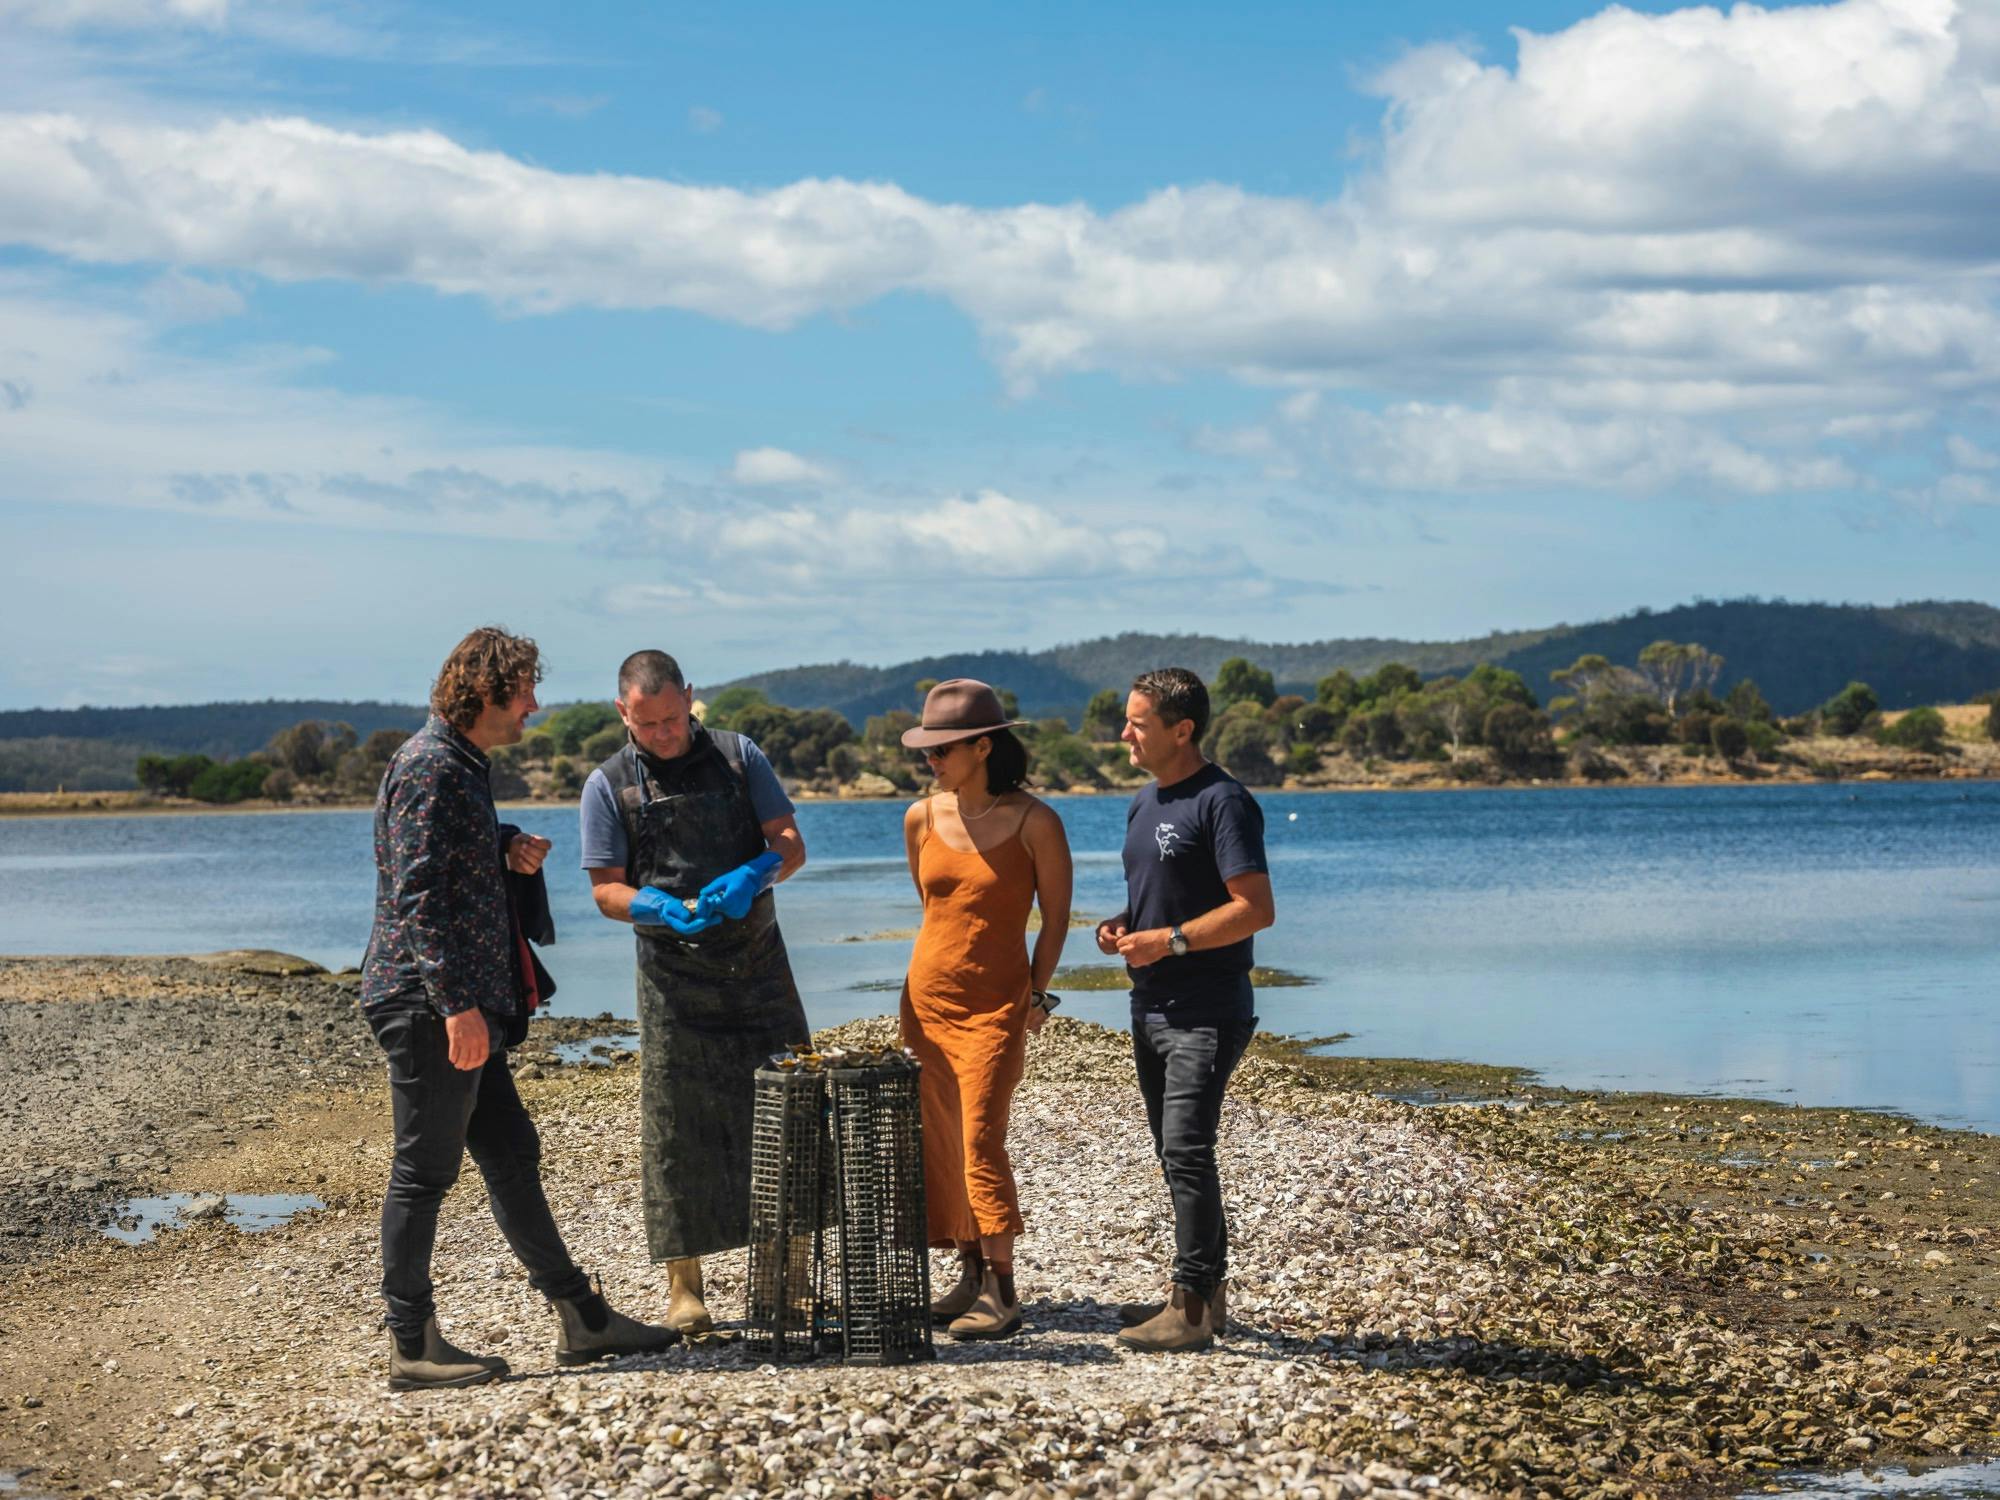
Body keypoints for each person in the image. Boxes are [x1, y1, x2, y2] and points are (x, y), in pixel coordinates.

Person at [360, 626, 676, 1390]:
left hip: (455, 1002)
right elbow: (415, 898)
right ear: (487, 693)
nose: (534, 704)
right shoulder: (432, 766)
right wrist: (457, 1007)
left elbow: (436, 862)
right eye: (525, 690)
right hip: (431, 1005)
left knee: (510, 1153)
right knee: (422, 1173)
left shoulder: (462, 765)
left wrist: (501, 843)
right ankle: (410, 1344)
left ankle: (583, 1319)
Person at [580, 649, 809, 1334]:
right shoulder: (608, 785)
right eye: (648, 725)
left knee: (786, 1116)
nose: (664, 736)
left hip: (758, 965)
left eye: (673, 720)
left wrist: (756, 875)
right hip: (671, 981)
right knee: (677, 1132)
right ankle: (686, 1287)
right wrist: (654, 906)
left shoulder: (741, 757)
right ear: (623, 713)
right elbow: (605, 890)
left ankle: (785, 1280)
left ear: (690, 697)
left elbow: (791, 842)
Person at [1096, 667, 1275, 1353]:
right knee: (1177, 1157)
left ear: (1182, 729)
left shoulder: (1224, 802)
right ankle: (1204, 1294)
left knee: (1188, 1153)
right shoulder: (1143, 804)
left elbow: (1254, 909)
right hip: (1151, 1007)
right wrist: (1123, 926)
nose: (1125, 734)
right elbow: (1164, 897)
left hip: (1208, 1008)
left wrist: (1166, 941)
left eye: (1137, 722)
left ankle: (1191, 1308)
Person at [898, 679, 1074, 1340]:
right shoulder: (919, 818)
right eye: (926, 750)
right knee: (941, 1140)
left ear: (983, 745)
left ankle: (1003, 1292)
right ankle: (968, 1274)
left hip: (996, 1006)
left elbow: (1056, 917)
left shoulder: (1036, 822)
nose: (931, 761)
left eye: (942, 750)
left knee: (981, 1138)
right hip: (925, 1005)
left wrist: (1037, 990)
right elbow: (933, 908)